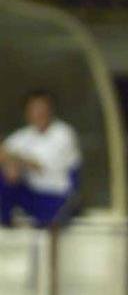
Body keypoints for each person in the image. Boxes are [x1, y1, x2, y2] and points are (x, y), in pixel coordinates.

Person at [0, 91, 81, 228]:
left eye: (42, 108)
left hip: (57, 197)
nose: (39, 113)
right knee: (6, 173)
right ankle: (6, 222)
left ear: (51, 110)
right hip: (32, 195)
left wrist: (12, 160)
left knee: (12, 169)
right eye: (34, 109)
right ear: (27, 112)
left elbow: (38, 165)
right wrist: (9, 164)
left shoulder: (63, 133)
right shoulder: (23, 135)